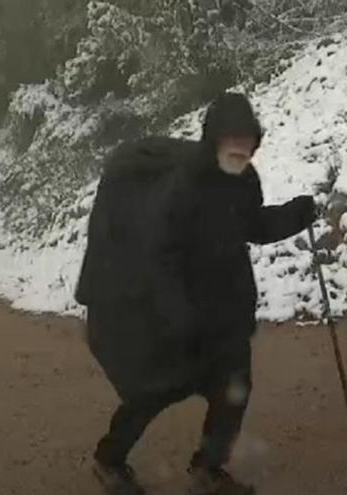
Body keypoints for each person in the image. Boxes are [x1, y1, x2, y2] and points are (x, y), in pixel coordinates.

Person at [75, 92, 316, 495]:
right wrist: (180, 317)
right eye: (232, 142)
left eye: (247, 143)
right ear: (214, 140)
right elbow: (160, 256)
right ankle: (108, 460)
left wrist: (294, 214)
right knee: (152, 392)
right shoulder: (183, 185)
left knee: (233, 392)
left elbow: (251, 225)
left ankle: (207, 469)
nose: (240, 151)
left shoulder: (244, 179)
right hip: (182, 315)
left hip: (226, 312)